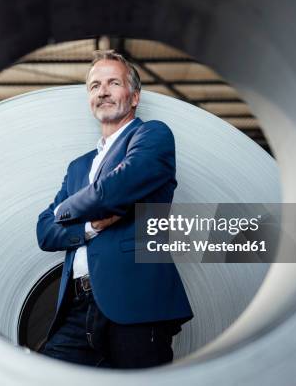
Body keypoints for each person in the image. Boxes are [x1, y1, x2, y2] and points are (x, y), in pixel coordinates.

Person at [36, 50, 193, 369]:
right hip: (78, 307)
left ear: (134, 96)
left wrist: (65, 211)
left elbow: (114, 191)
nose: (102, 91)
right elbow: (44, 231)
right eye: (94, 86)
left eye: (112, 83)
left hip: (136, 302)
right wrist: (90, 226)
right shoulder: (78, 167)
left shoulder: (152, 136)